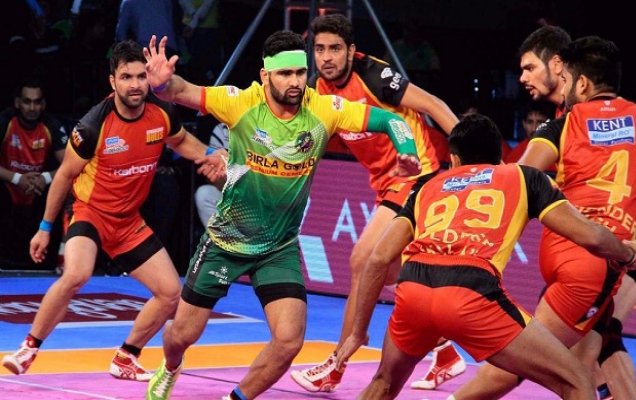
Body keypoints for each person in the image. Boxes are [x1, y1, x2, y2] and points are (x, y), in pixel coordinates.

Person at [142, 30, 422, 400]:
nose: (295, 82)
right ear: (265, 76)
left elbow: (392, 121)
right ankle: (171, 366)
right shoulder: (240, 102)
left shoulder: (323, 109)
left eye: (301, 73)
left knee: (289, 341)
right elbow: (181, 91)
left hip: (279, 248)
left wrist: (406, 150)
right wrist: (162, 85)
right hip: (227, 242)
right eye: (285, 74)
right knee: (182, 335)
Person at [335, 113, 636, 400]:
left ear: (454, 159)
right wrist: (630, 254)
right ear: (499, 156)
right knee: (576, 379)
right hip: (470, 292)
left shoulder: (426, 187)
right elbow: (591, 236)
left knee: (383, 383)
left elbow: (378, 259)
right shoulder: (523, 177)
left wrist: (357, 332)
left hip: (413, 290)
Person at [1, 39, 223, 382]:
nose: (135, 85)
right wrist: (45, 227)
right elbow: (65, 175)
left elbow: (180, 141)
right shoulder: (93, 125)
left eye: (140, 77)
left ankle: (126, 356)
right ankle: (29, 347)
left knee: (169, 293)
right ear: (113, 81)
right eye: (126, 77)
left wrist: (210, 154)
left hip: (129, 221)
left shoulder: (161, 113)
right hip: (90, 212)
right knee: (77, 275)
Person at [453, 36, 636, 400]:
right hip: (597, 264)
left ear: (581, 83)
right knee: (591, 347)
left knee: (527, 359)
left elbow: (514, 181)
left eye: (568, 80)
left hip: (587, 264)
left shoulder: (563, 125)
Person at [290, 13, 463, 393]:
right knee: (396, 274)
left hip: (418, 176)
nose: (326, 57)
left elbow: (433, 104)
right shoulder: (318, 91)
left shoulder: (374, 75)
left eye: (335, 49)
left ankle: (337, 363)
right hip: (384, 186)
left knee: (362, 261)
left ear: (351, 50)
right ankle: (445, 350)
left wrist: (471, 154)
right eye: (319, 49)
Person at [0, 78, 67, 269]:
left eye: (37, 102)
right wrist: (17, 178)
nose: (32, 108)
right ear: (17, 103)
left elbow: (72, 165)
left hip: (39, 191)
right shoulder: (5, 121)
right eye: (27, 101)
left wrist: (45, 178)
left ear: (43, 104)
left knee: (66, 187)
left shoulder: (51, 125)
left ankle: (55, 261)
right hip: (7, 188)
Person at [518, 25, 571, 116]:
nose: (522, 78)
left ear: (557, 64)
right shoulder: (561, 112)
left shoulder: (586, 112)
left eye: (530, 68)